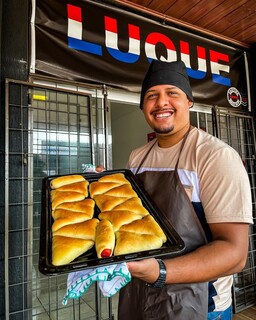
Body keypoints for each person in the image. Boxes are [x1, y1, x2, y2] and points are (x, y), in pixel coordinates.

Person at [117, 60, 253, 320]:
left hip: (200, 304)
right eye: (151, 96)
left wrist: (160, 272)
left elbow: (235, 254)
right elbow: (131, 219)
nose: (161, 103)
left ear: (189, 101)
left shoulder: (215, 156)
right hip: (140, 295)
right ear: (143, 106)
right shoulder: (137, 157)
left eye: (172, 93)